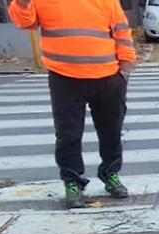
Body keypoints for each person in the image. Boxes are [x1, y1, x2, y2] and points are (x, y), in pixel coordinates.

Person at [8, 0, 136, 209]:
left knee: (111, 131)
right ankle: (72, 182)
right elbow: (26, 23)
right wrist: (22, 3)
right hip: (65, 77)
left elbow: (121, 31)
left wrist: (126, 66)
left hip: (108, 76)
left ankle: (110, 174)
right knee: (68, 134)